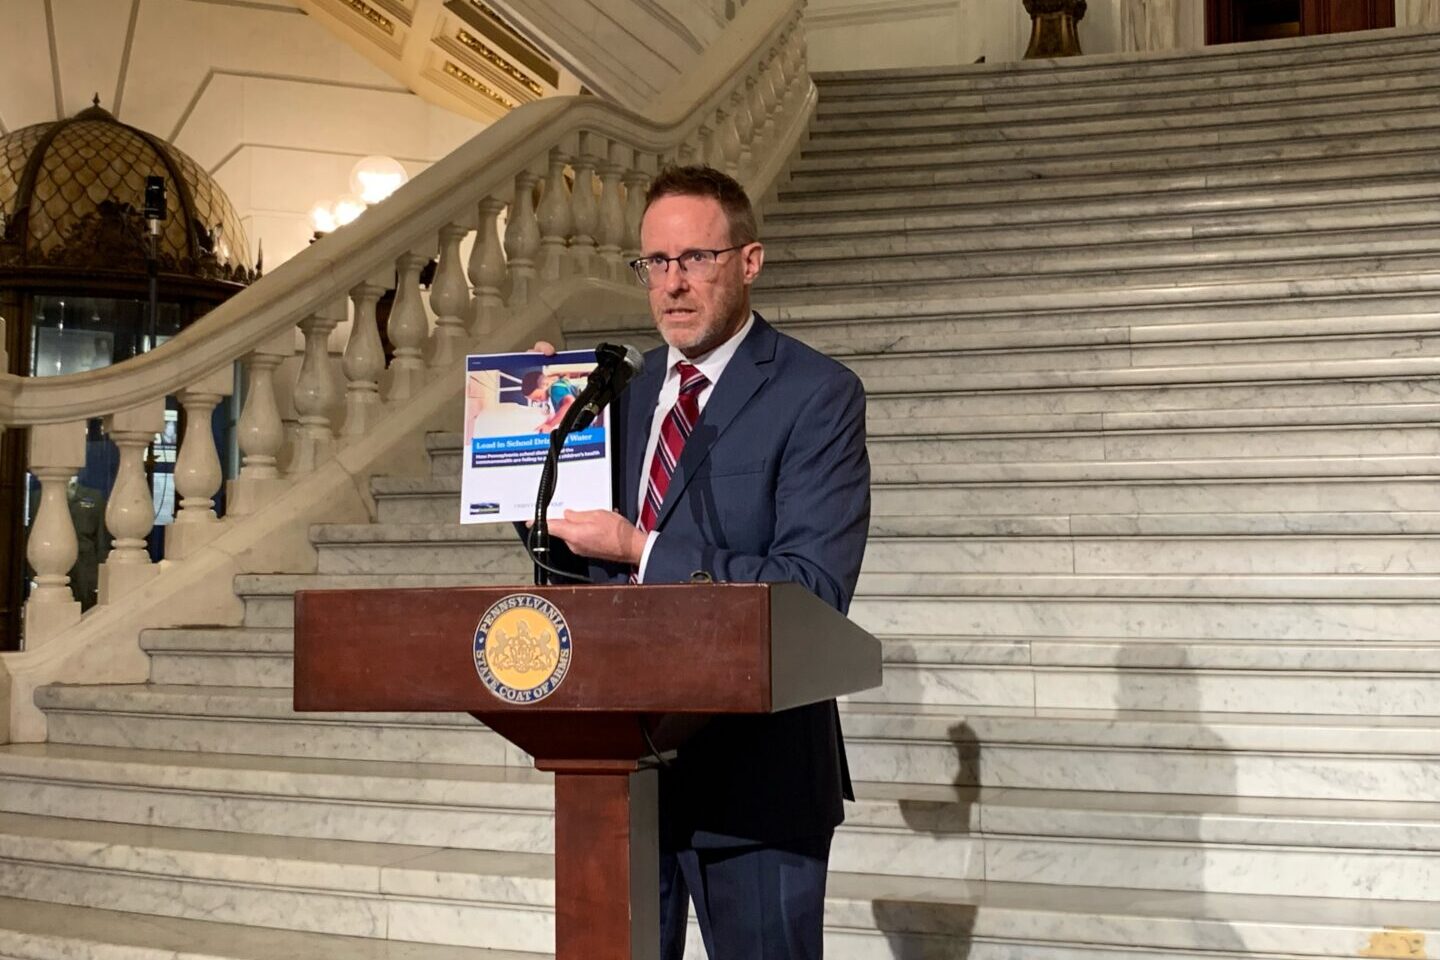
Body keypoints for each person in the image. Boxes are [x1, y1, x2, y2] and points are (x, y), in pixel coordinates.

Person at [537, 164, 870, 960]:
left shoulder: (817, 394)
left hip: (756, 783)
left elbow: (812, 590)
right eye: (656, 262)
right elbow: (573, 574)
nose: (673, 285)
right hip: (618, 776)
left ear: (748, 262)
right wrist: (529, 453)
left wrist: (643, 548)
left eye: (696, 260)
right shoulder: (613, 390)